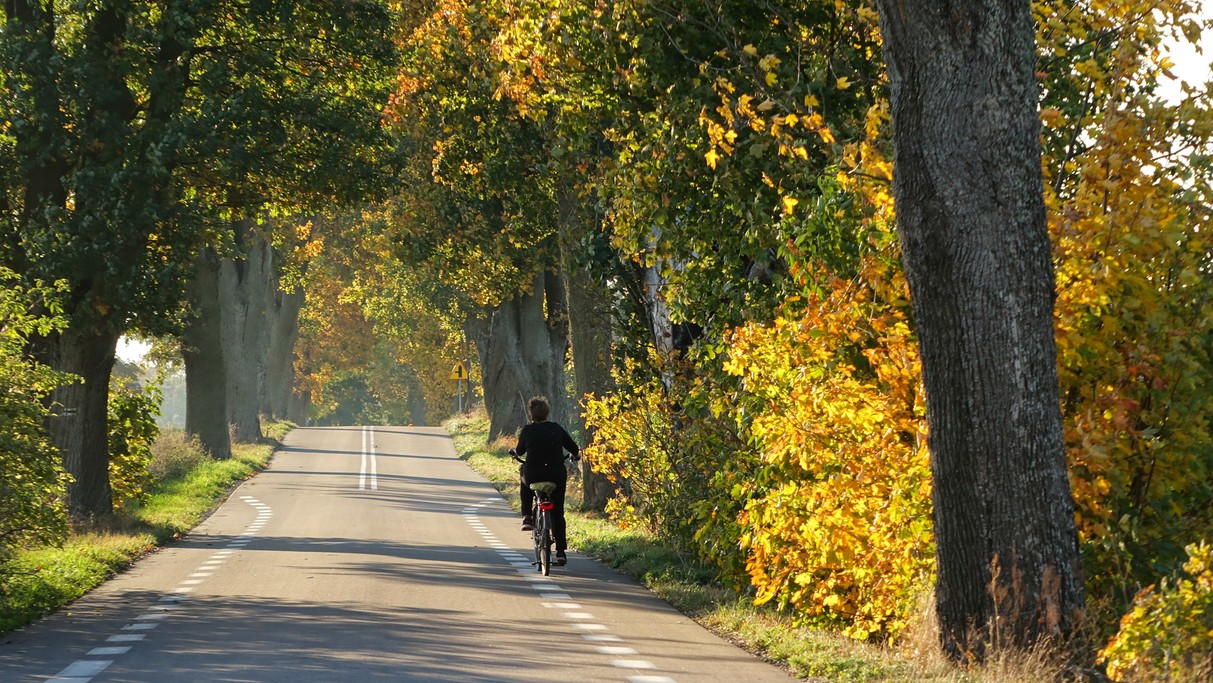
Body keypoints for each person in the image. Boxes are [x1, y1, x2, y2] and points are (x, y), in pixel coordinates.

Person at [511, 396, 579, 566]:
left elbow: (519, 451)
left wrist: (514, 452)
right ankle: (561, 552)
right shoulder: (556, 428)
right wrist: (575, 455)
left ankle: (527, 516)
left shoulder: (527, 430)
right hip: (556, 474)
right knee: (558, 512)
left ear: (531, 414)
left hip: (534, 474)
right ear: (547, 412)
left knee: (524, 476)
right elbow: (574, 448)